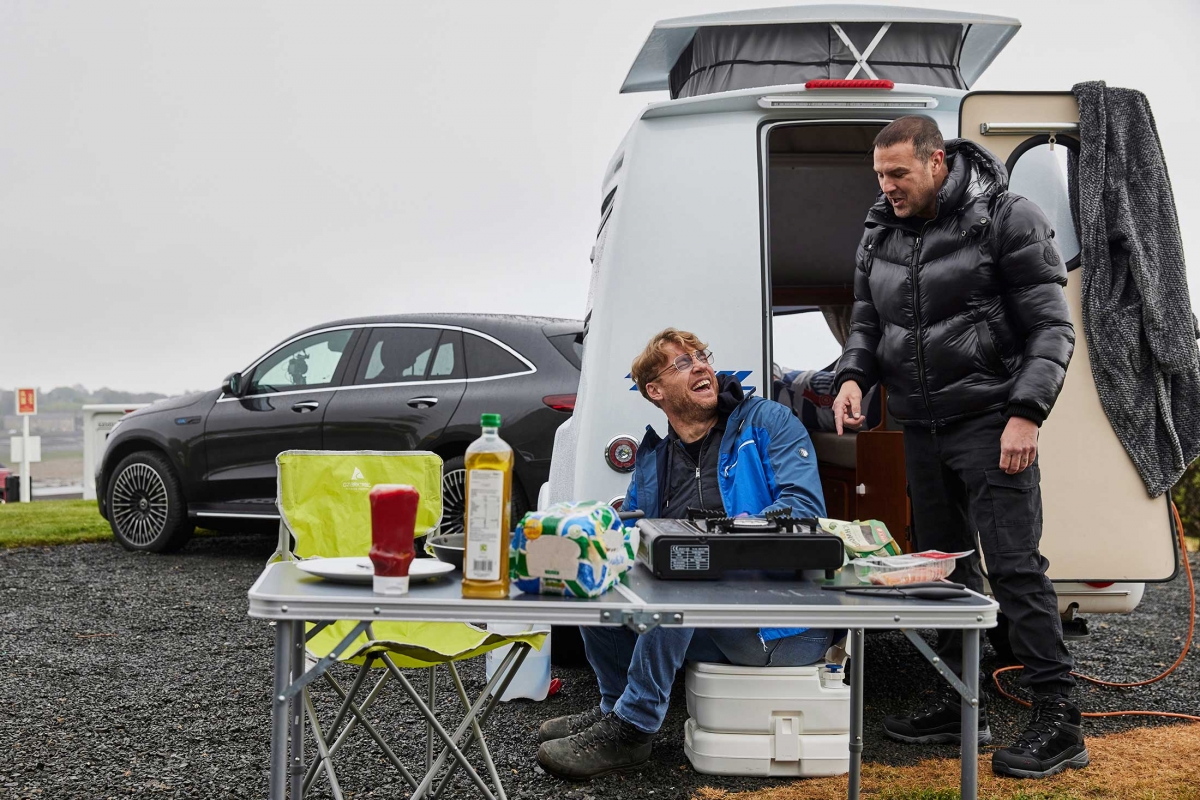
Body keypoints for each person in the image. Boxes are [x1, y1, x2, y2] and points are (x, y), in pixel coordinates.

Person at [832, 116, 1086, 779]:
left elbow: (1052, 329)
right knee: (941, 567)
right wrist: (853, 377)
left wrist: (1026, 413)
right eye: (880, 175)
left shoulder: (1007, 216)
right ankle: (958, 702)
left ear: (937, 162)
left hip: (992, 422)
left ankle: (1060, 720)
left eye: (898, 174)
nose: (887, 187)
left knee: (1014, 567)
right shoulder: (880, 230)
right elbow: (867, 321)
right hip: (921, 426)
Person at [536, 328, 832, 781]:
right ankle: (613, 708)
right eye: (681, 362)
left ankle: (633, 729)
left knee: (685, 570)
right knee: (600, 576)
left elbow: (805, 507)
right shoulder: (654, 458)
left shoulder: (767, 421)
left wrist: (712, 537)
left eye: (701, 356)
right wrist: (590, 537)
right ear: (655, 391)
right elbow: (632, 538)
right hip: (710, 622)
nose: (700, 365)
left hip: (782, 623)